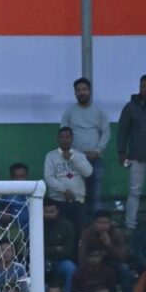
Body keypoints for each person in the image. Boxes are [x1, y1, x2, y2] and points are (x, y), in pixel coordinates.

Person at [61, 77, 110, 214]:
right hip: (75, 159)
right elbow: (63, 132)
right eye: (78, 90)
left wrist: (98, 150)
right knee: (77, 192)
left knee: (95, 193)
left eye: (84, 90)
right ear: (75, 93)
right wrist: (69, 152)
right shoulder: (70, 111)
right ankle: (80, 223)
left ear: (90, 91)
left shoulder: (98, 111)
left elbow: (106, 132)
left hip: (95, 158)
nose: (82, 93)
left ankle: (97, 223)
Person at [119, 74, 146, 230]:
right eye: (143, 86)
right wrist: (122, 152)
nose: (145, 89)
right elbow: (122, 131)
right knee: (134, 192)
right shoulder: (130, 107)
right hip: (136, 156)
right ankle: (130, 225)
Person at [44, 126, 93, 234]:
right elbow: (48, 177)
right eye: (62, 137)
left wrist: (72, 158)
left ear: (72, 139)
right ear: (58, 139)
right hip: (58, 202)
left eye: (67, 137)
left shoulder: (79, 155)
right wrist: (64, 190)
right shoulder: (51, 156)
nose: (65, 140)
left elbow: (88, 172)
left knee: (79, 231)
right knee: (61, 232)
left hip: (78, 202)